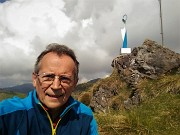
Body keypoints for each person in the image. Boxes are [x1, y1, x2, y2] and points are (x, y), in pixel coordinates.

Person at [0, 43, 98, 135]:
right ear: (35, 79)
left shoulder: (85, 117)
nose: (56, 86)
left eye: (65, 79)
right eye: (48, 77)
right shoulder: (7, 114)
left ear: (74, 83)